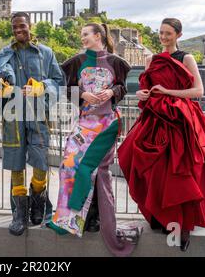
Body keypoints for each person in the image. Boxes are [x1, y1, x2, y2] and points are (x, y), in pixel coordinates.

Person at [117, 18, 205, 252]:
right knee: (149, 165)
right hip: (155, 118)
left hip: (181, 119)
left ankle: (184, 224)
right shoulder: (151, 59)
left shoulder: (186, 58)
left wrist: (167, 92)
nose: (163, 37)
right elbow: (150, 89)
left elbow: (198, 91)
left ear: (178, 35)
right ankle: (161, 215)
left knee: (180, 170)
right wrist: (143, 94)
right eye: (161, 33)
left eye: (168, 33)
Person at [48, 23, 141, 256]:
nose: (82, 38)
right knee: (68, 164)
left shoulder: (117, 62)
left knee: (89, 167)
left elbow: (122, 88)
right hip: (84, 122)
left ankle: (84, 217)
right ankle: (66, 218)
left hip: (107, 123)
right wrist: (83, 94)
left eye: (86, 35)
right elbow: (65, 88)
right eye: (81, 35)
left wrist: (111, 92)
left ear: (98, 36)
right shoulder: (75, 63)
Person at [0, 12, 65, 236]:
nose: (18, 30)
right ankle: (19, 214)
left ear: (30, 26)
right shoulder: (5, 54)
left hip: (39, 115)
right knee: (15, 162)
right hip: (13, 116)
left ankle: (39, 204)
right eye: (14, 27)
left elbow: (59, 82)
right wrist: (1, 88)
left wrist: (42, 87)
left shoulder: (46, 54)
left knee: (40, 161)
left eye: (22, 26)